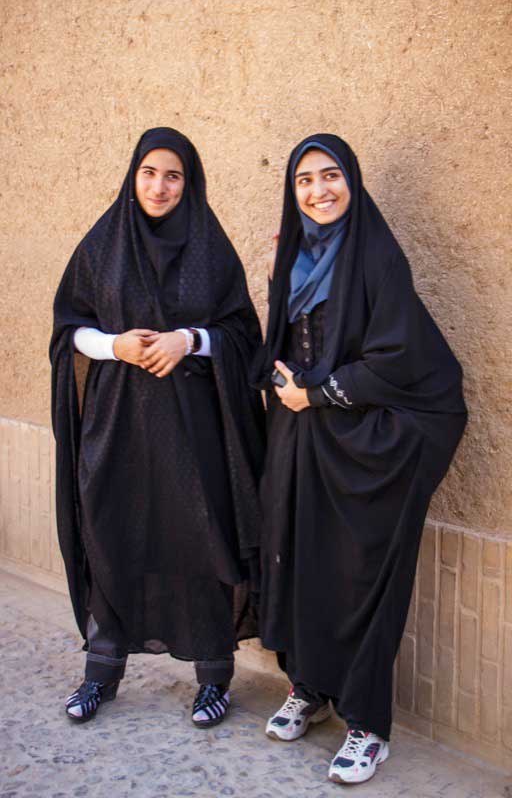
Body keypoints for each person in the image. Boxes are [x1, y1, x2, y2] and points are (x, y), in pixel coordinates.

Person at [252, 133, 467, 784]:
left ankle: (368, 725)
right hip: (303, 438)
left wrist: (316, 393)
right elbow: (281, 344)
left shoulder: (375, 253)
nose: (319, 191)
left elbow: (398, 355)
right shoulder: (291, 258)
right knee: (299, 559)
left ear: (353, 179)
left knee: (360, 574)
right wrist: (283, 382)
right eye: (304, 181)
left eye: (331, 175)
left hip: (364, 442)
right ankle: (309, 688)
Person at [50, 127, 265, 727]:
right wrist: (116, 344)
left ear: (189, 182)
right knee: (110, 536)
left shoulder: (211, 249)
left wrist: (189, 339)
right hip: (115, 425)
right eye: (150, 172)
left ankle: (213, 678)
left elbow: (243, 334)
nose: (160, 185)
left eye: (173, 175)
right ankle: (101, 672)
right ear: (133, 175)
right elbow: (70, 328)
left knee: (200, 541)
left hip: (193, 430)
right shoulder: (102, 245)